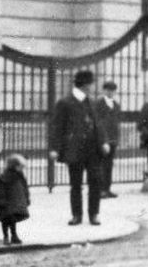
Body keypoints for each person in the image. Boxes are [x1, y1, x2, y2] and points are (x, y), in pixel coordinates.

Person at [48, 69, 108, 225]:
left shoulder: (93, 102)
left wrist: (104, 142)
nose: (93, 87)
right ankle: (77, 215)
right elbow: (56, 127)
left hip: (93, 149)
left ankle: (94, 214)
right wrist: (54, 148)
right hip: (75, 149)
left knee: (95, 182)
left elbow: (99, 125)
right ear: (85, 85)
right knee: (76, 184)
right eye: (91, 84)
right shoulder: (65, 102)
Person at [0, 153, 31, 245]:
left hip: (15, 202)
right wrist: (1, 201)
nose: (22, 168)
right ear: (14, 166)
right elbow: (0, 190)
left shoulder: (19, 175)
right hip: (7, 202)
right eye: (20, 166)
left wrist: (27, 198)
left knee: (13, 219)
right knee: (6, 220)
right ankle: (6, 236)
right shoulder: (5, 176)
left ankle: (14, 235)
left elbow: (24, 187)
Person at [94, 80, 122, 198]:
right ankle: (100, 190)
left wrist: (116, 138)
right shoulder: (98, 103)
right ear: (104, 90)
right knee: (101, 164)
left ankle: (107, 188)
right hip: (102, 139)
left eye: (113, 90)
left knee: (109, 165)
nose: (111, 92)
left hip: (113, 138)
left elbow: (117, 122)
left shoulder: (116, 104)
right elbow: (97, 122)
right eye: (108, 90)